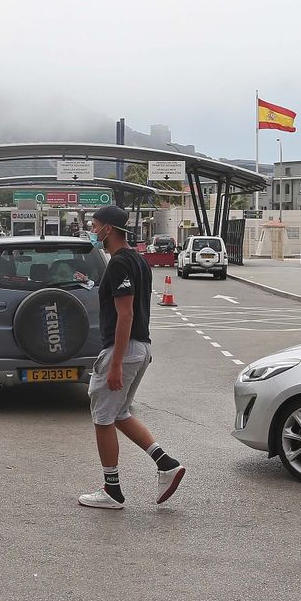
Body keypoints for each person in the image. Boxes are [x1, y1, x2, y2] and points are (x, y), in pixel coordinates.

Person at [78, 204, 186, 511]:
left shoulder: (119, 264)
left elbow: (125, 315)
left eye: (94, 225)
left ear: (108, 229)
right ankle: (166, 464)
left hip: (122, 350)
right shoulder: (139, 261)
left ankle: (111, 490)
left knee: (102, 418)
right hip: (141, 348)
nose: (92, 231)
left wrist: (114, 364)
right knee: (120, 413)